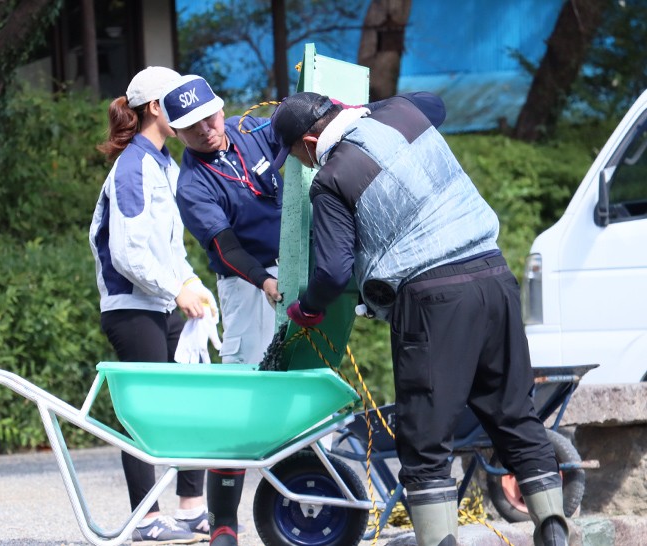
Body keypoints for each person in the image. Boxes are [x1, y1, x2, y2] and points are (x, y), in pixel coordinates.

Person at [270, 91, 569, 546]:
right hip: (494, 277)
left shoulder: (330, 180)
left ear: (310, 142)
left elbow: (332, 271)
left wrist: (308, 308)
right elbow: (436, 104)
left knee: (425, 439)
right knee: (515, 416)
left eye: (295, 154)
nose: (300, 164)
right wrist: (365, 107)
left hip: (433, 300)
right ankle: (555, 531)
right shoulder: (402, 113)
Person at [88, 66, 218, 544]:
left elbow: (170, 247)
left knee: (191, 399)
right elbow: (128, 252)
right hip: (130, 306)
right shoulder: (133, 167)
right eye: (178, 99)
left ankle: (191, 507)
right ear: (157, 108)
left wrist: (192, 284)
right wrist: (175, 289)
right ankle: (145, 518)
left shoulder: (167, 164)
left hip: (161, 300)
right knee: (145, 412)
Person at [159, 74, 283, 545]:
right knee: (239, 398)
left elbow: (297, 143)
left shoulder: (254, 129)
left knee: (312, 383)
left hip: (298, 267)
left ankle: (315, 493)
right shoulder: (192, 185)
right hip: (246, 284)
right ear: (175, 132)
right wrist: (265, 281)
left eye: (208, 117)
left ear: (221, 107)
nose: (204, 129)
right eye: (190, 126)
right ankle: (224, 523)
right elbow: (226, 248)